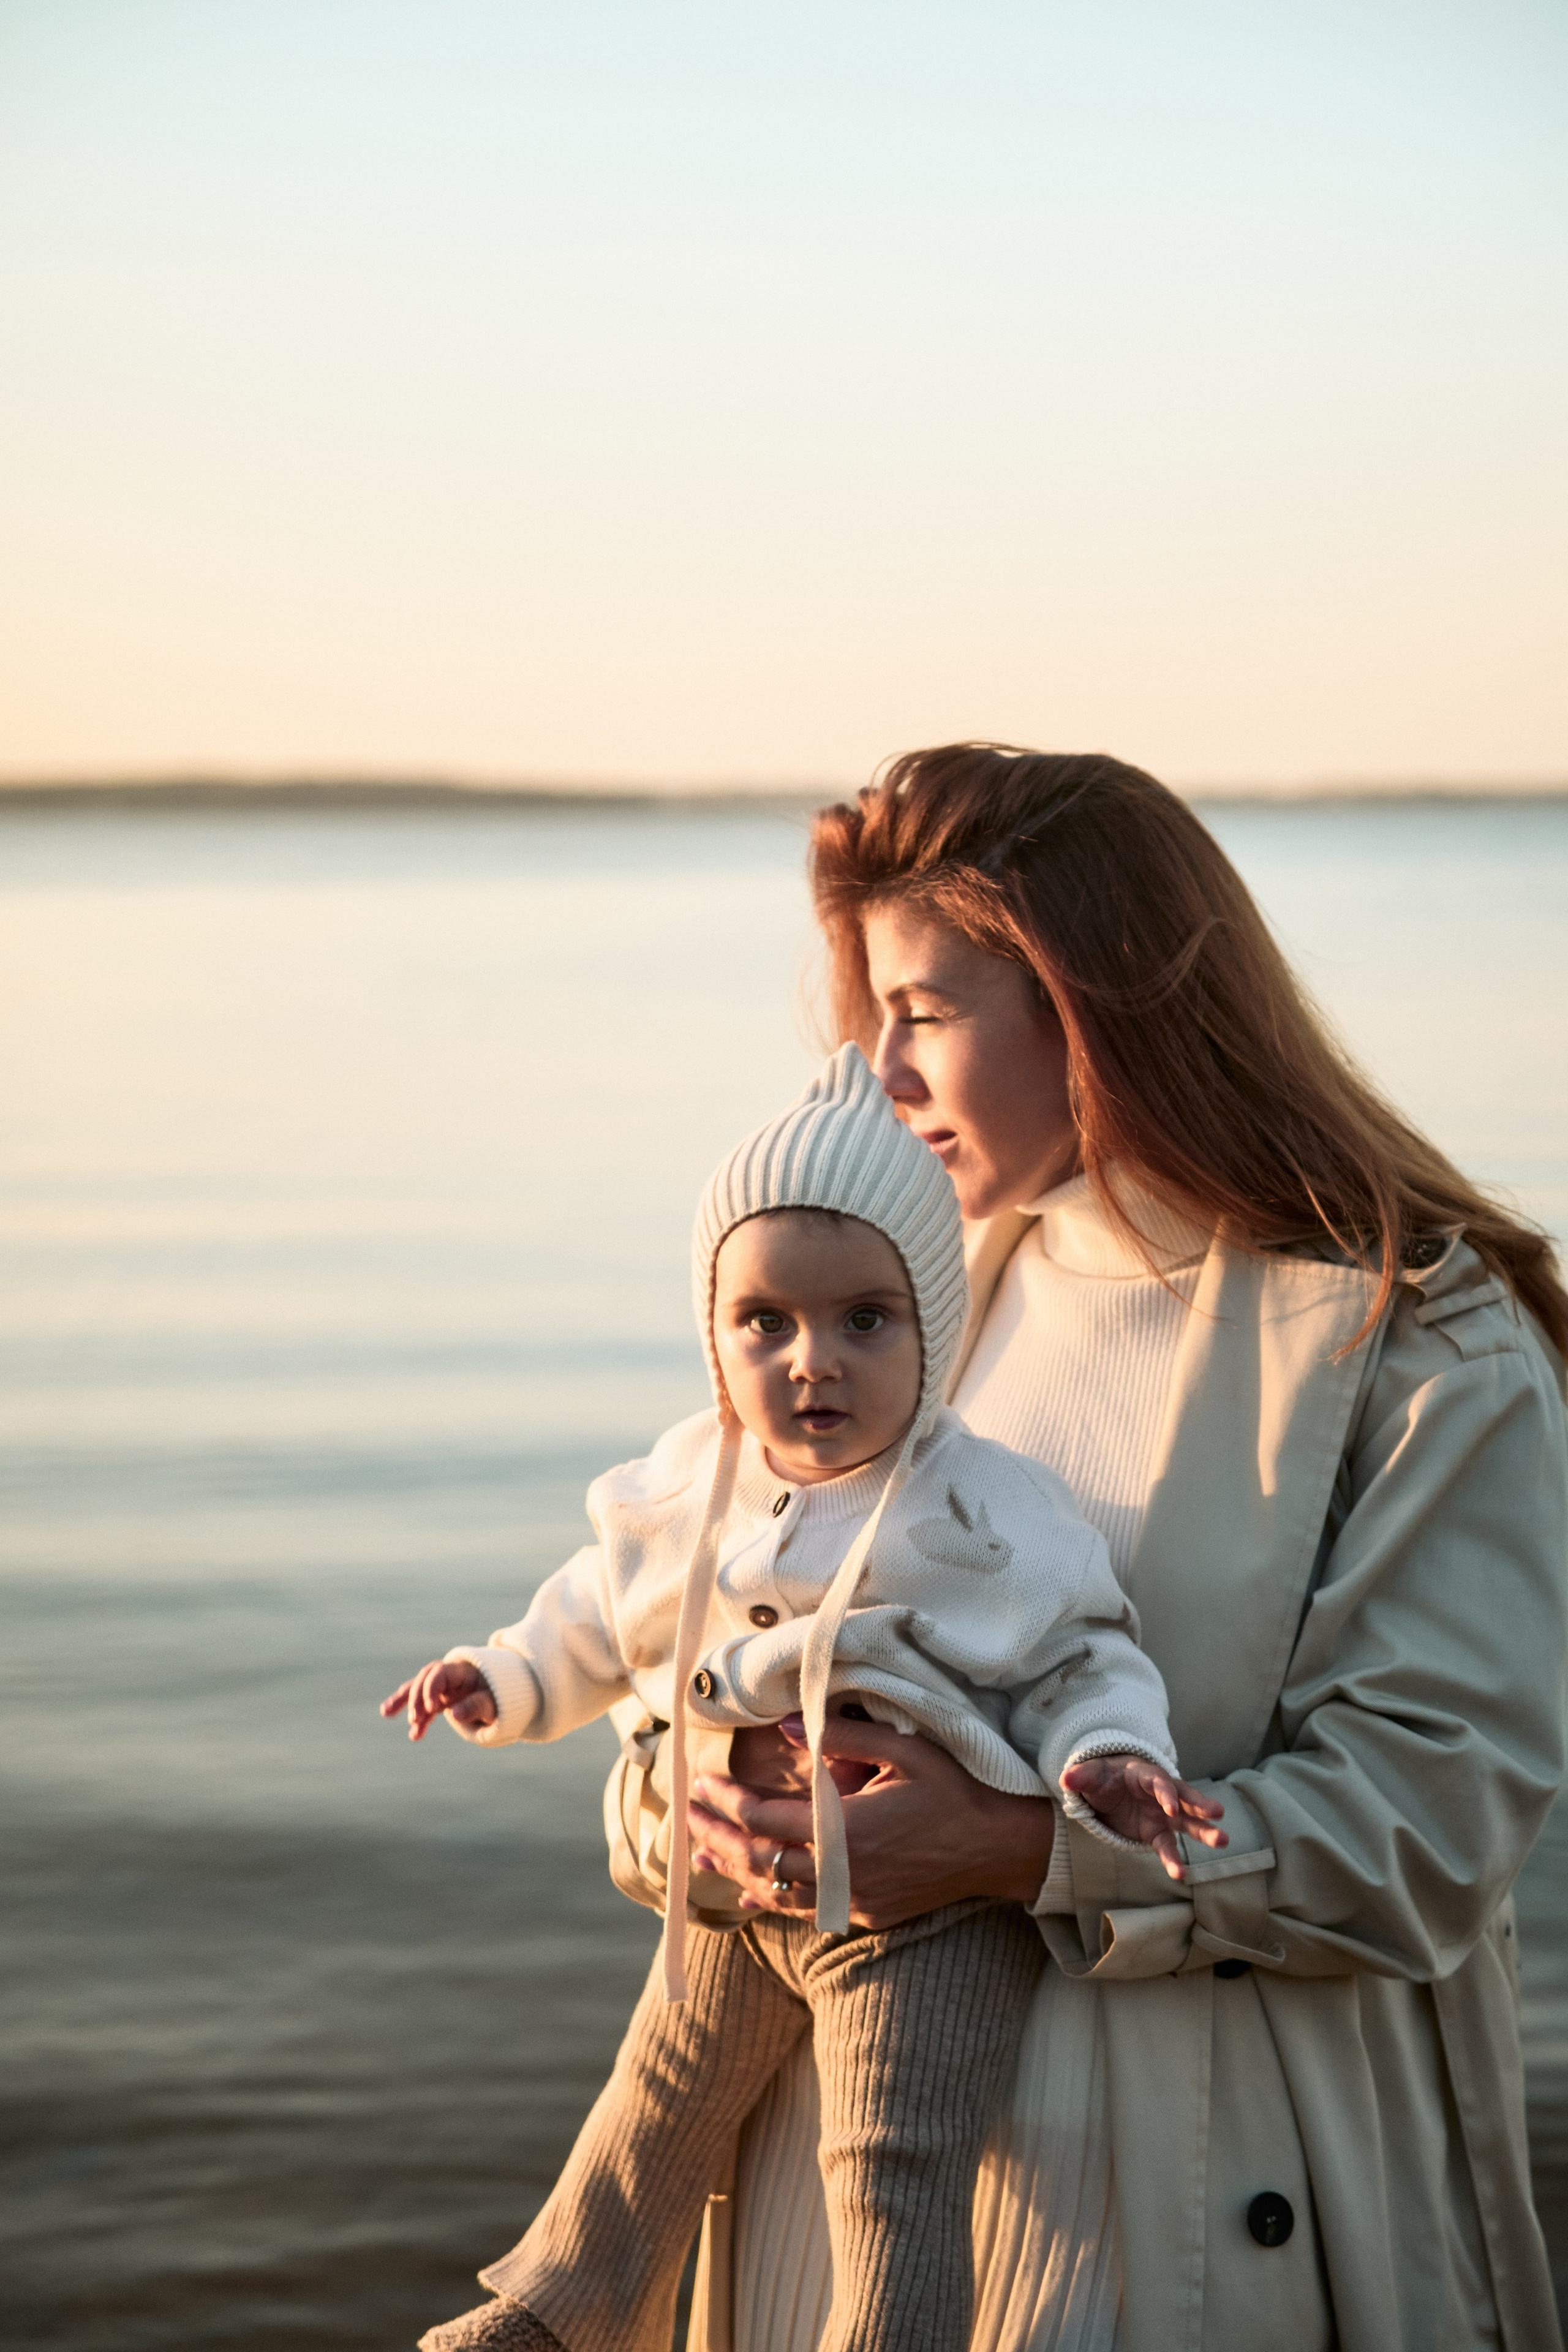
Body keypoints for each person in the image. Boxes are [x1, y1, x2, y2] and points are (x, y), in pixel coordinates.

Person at [646, 745, 1568, 2352]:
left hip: (1193, 2239)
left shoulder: (1419, 1343)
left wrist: (1020, 1848)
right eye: (866, 1022)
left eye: (921, 1013)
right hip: (844, 2212)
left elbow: (1434, 1820)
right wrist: (705, 1805)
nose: (877, 1077)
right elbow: (688, 1637)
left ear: (1097, 996)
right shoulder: (902, 1307)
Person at [383, 1044, 1224, 2352]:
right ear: (714, 1337)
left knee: (892, 2158)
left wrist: (1106, 1754)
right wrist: (501, 1675)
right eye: (762, 1323)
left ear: (929, 1331)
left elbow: (1082, 1655)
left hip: (926, 1913)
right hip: (732, 1889)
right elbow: (603, 1610)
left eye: (863, 1322)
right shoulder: (690, 1480)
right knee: (651, 2103)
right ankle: (563, 2313)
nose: (809, 1362)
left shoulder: (979, 1504)